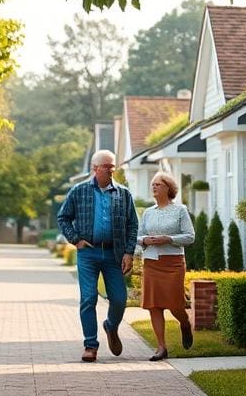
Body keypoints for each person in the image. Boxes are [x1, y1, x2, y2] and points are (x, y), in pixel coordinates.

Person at [57, 149, 138, 363]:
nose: (112, 170)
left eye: (114, 167)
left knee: (120, 299)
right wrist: (75, 239)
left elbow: (132, 224)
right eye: (107, 167)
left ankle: (111, 326)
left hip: (114, 253)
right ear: (95, 168)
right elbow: (63, 217)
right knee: (88, 298)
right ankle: (90, 345)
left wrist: (129, 252)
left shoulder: (123, 193)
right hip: (88, 254)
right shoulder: (79, 191)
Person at [137, 172, 195, 361]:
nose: (154, 187)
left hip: (173, 263)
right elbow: (137, 236)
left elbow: (190, 236)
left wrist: (168, 239)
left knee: (175, 304)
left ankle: (185, 323)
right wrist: (145, 239)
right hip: (151, 263)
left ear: (168, 188)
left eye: (158, 184)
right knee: (154, 306)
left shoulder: (180, 210)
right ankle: (161, 347)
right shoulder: (148, 212)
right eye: (153, 184)